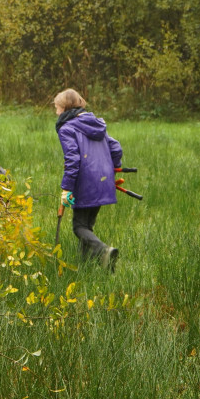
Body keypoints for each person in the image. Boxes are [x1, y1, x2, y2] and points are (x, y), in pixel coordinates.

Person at [53, 88, 123, 272]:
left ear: (65, 108)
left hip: (85, 182)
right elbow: (115, 147)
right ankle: (85, 266)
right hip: (103, 180)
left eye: (57, 108)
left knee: (79, 227)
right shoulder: (96, 124)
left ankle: (104, 251)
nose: (56, 112)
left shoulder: (67, 128)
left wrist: (66, 189)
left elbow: (73, 160)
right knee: (86, 225)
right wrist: (112, 170)